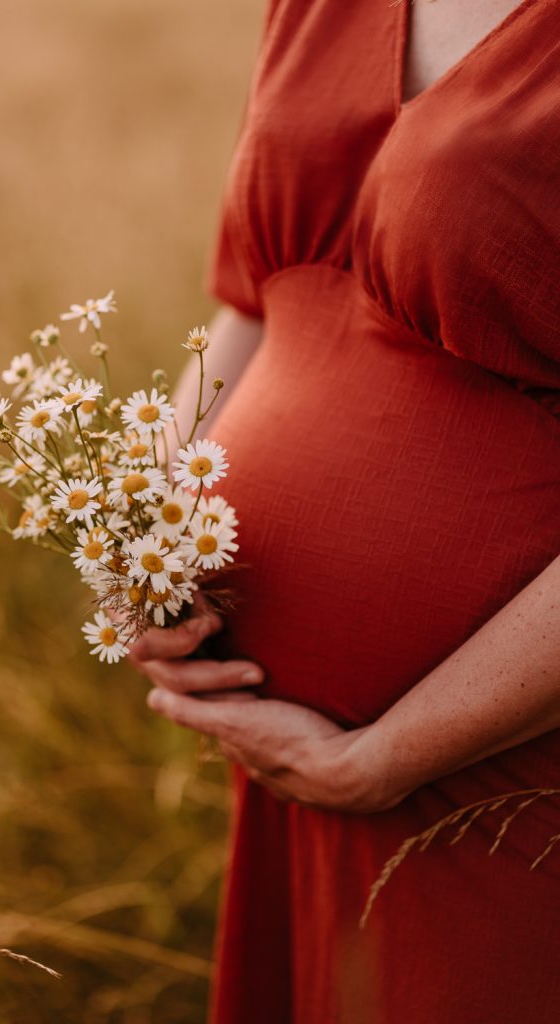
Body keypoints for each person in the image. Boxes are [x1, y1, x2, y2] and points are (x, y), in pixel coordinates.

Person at [129, 0, 560, 1020]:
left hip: (498, 768)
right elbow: (254, 301)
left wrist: (386, 754)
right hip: (292, 770)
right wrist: (138, 545)